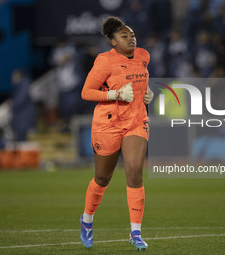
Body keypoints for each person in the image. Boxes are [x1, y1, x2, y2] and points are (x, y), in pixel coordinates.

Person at [80, 16, 154, 250]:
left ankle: (135, 232)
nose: (131, 38)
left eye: (132, 35)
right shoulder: (104, 61)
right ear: (113, 42)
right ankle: (87, 220)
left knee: (134, 172)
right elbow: (86, 92)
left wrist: (147, 91)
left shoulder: (143, 56)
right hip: (108, 123)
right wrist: (114, 95)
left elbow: (137, 79)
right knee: (103, 179)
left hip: (136, 120)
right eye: (124, 35)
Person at [10, 69, 35, 141]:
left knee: (22, 138)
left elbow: (20, 99)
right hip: (20, 118)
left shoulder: (24, 85)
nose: (12, 78)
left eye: (14, 76)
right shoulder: (18, 87)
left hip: (23, 118)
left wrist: (12, 104)